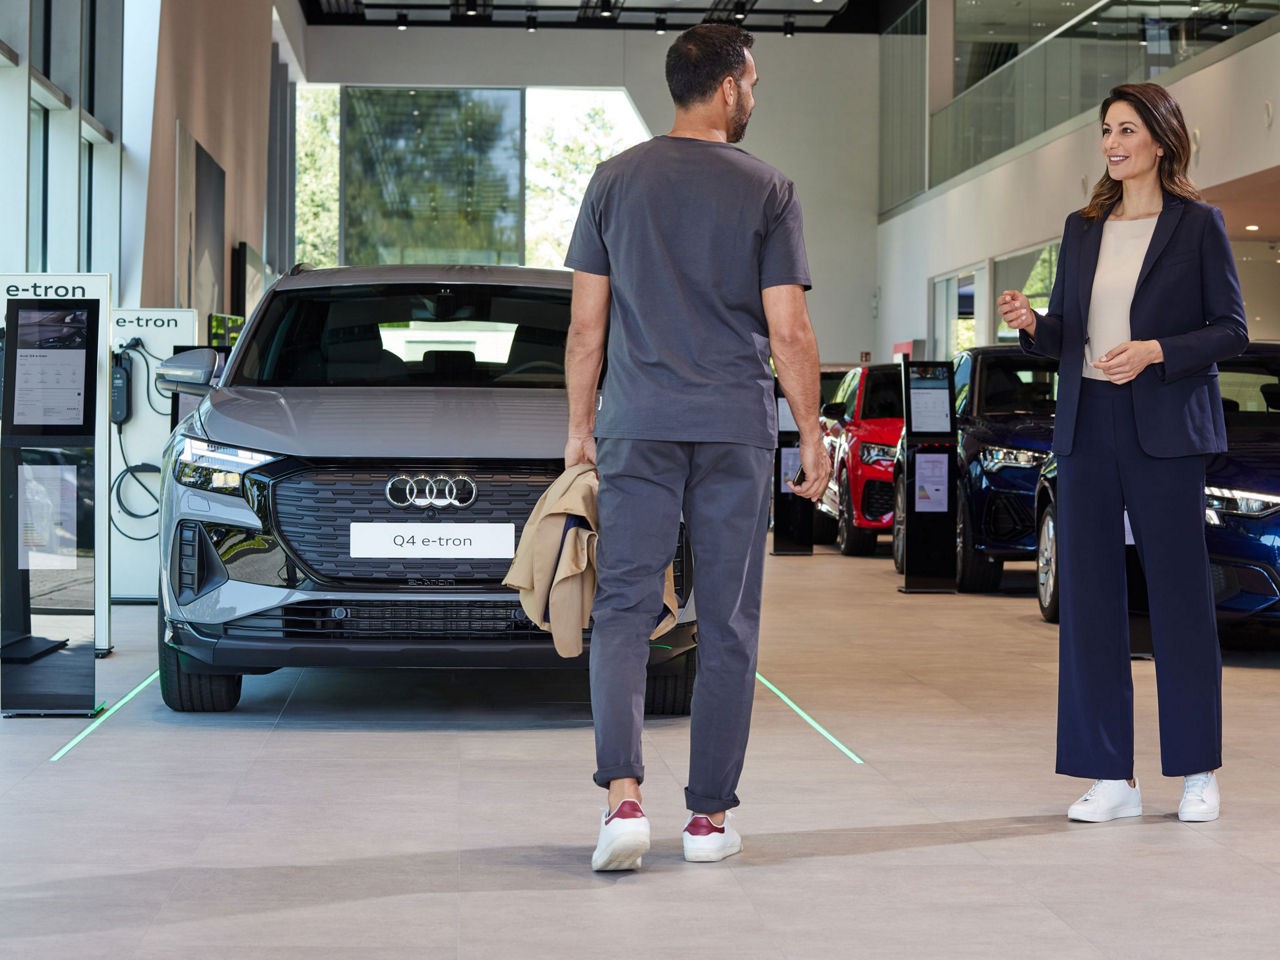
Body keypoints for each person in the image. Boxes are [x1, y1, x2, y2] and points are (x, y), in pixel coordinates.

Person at [562, 23, 829, 871]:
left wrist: (578, 434)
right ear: (727, 88)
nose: (755, 95)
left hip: (635, 424)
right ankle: (708, 821)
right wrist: (813, 433)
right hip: (733, 429)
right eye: (753, 82)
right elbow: (789, 330)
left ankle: (622, 804)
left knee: (624, 610)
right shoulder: (768, 188)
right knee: (728, 620)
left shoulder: (612, 182)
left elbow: (584, 329)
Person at [999, 82, 1247, 824]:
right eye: (1106, 129)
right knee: (1089, 600)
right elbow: (1066, 332)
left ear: (1161, 141)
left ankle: (1198, 768)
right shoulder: (1082, 228)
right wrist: (1031, 322)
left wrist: (1156, 351)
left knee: (1179, 597)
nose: (1112, 142)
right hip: (1085, 425)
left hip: (1165, 429)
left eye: (1127, 129)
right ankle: (1110, 775)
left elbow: (1230, 330)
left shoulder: (1198, 225)